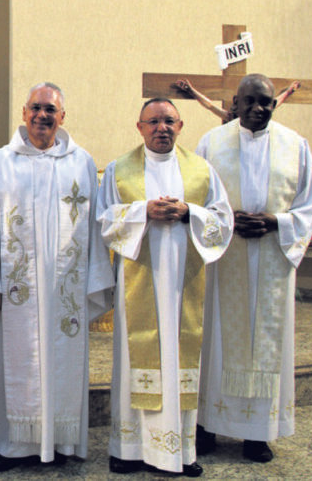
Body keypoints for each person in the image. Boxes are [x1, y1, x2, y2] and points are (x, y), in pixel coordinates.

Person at [0, 83, 114, 471]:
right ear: (24, 112)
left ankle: (61, 442)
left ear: (62, 116)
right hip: (14, 290)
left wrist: (92, 281)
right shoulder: (0, 162)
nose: (42, 115)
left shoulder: (81, 162)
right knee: (9, 365)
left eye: (50, 109)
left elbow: (94, 225)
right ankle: (9, 445)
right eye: (36, 108)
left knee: (61, 363)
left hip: (64, 291)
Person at [98, 98, 233, 477]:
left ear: (181, 126)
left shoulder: (201, 170)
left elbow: (223, 219)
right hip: (138, 283)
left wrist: (189, 212)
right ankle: (128, 450)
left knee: (179, 362)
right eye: (154, 121)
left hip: (183, 285)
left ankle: (180, 451)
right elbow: (104, 219)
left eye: (169, 121)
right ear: (139, 127)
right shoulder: (119, 169)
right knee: (133, 363)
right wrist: (143, 211)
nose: (162, 128)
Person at [195, 74, 312, 462]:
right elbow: (196, 200)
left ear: (274, 104)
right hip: (225, 257)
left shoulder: (295, 146)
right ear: (235, 102)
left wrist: (276, 222)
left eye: (265, 101)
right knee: (215, 340)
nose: (257, 108)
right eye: (249, 101)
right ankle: (207, 425)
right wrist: (225, 221)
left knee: (267, 341)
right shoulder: (211, 143)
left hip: (272, 258)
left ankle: (257, 434)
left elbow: (308, 204)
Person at [173, 78, 301, 124]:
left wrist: (289, 91)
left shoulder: (261, 114)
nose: (255, 109)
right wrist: (191, 91)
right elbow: (210, 105)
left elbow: (275, 103)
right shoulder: (233, 118)